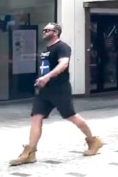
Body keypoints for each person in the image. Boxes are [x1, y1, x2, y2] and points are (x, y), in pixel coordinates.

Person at [10, 23, 104, 166]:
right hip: (44, 91)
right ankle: (30, 152)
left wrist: (47, 76)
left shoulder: (62, 47)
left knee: (71, 116)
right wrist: (41, 79)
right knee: (36, 118)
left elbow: (63, 64)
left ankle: (93, 141)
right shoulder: (45, 49)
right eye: (44, 30)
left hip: (59, 89)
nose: (44, 32)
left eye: (47, 30)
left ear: (56, 32)